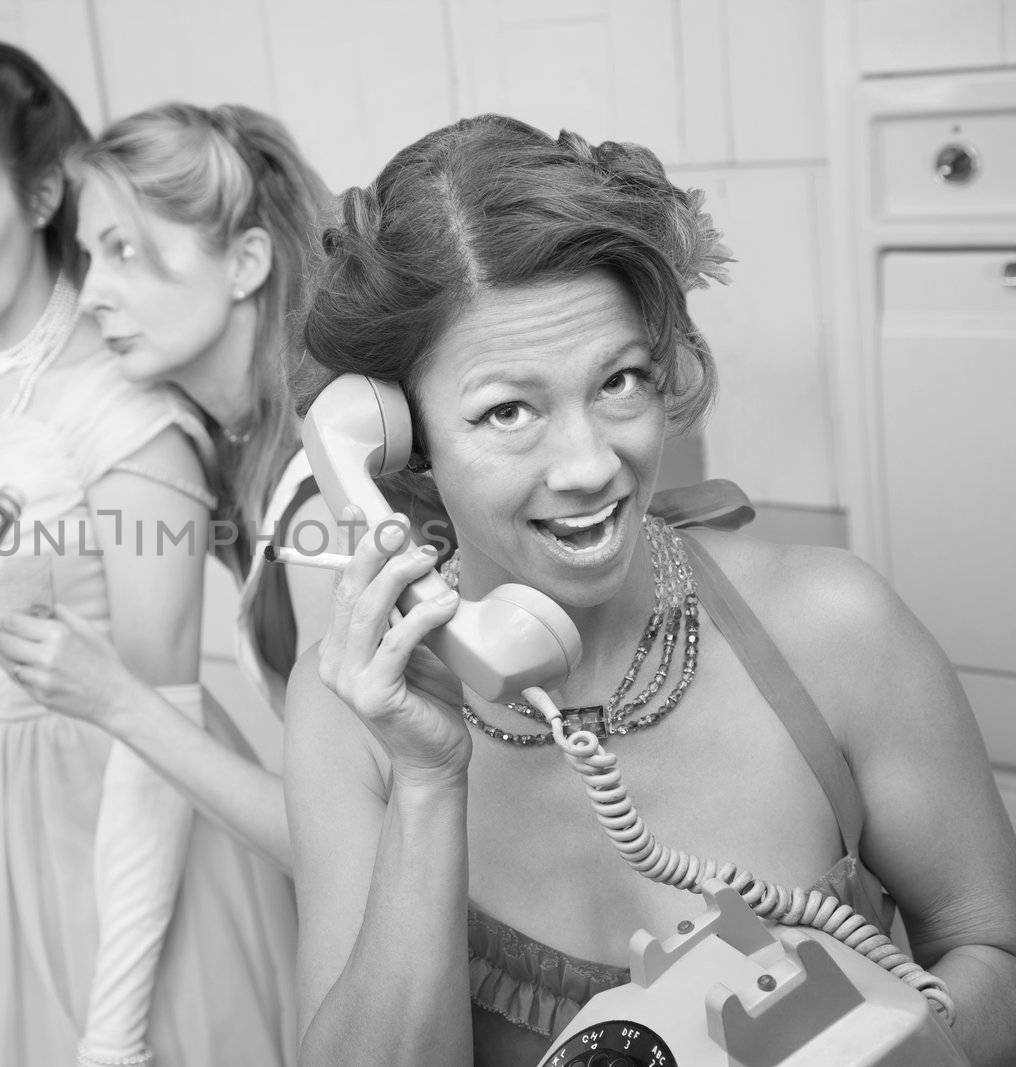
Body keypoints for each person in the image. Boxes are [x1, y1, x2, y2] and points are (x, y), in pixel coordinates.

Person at [285, 113, 1016, 1067]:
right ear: (400, 442)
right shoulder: (348, 714)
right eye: (509, 410)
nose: (591, 462)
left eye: (620, 381)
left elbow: (993, 948)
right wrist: (428, 782)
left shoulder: (835, 627)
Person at [0, 35, 297, 1067]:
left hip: (107, 827)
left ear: (39, 197)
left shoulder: (129, 392)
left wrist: (112, 1031)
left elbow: (157, 718)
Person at [0, 102, 340, 874]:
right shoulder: (233, 448)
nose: (94, 293)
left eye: (124, 252)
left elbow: (342, 845)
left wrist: (115, 697)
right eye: (89, 258)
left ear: (245, 263)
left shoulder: (321, 504)